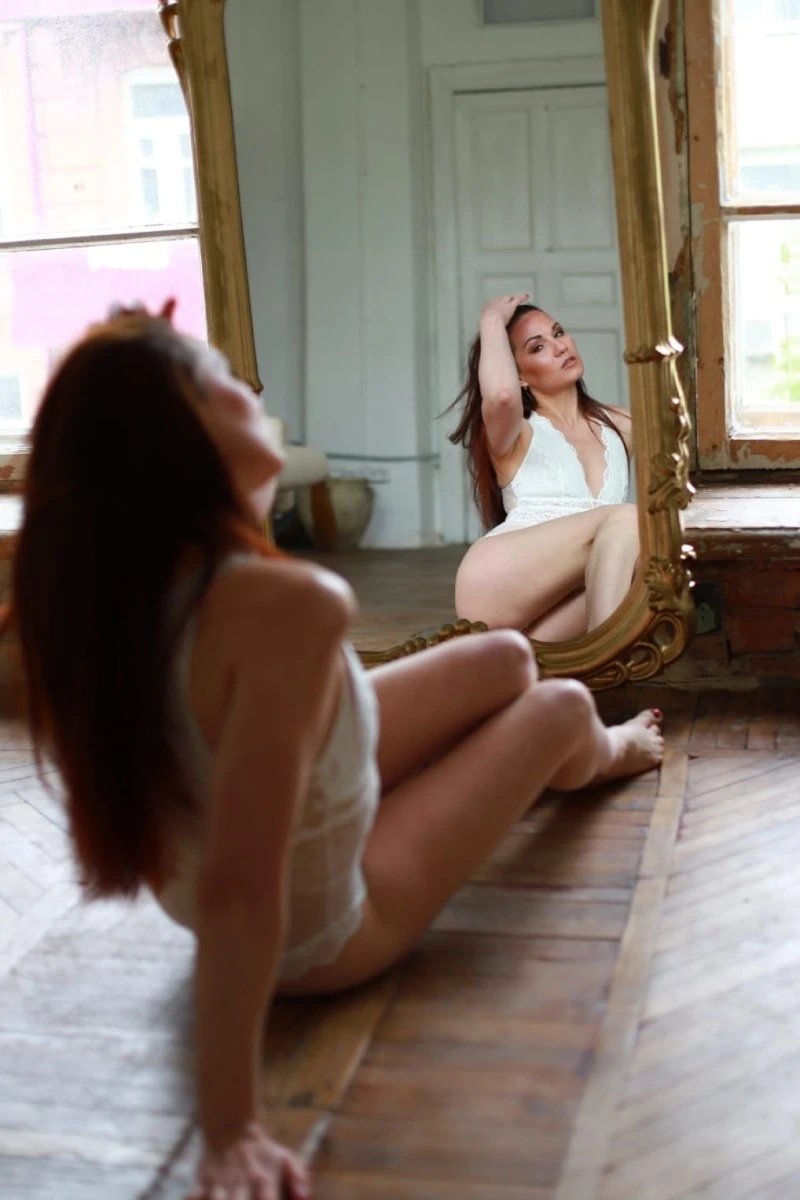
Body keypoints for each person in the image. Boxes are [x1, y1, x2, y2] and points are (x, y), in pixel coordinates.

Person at [10, 304, 663, 1200]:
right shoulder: (285, 607)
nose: (251, 392)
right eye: (222, 383)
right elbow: (242, 889)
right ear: (180, 444)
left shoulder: (130, 590)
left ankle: (514, 752)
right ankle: (608, 750)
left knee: (509, 660)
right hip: (321, 934)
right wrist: (231, 1128)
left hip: (261, 848)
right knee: (556, 705)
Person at [449, 293, 638, 642]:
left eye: (559, 333)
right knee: (628, 518)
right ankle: (611, 659)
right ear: (518, 375)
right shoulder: (515, 432)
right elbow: (501, 397)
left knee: (642, 570)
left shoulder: (622, 424)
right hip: (499, 578)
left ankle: (585, 664)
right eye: (538, 347)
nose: (560, 347)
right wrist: (491, 320)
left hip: (568, 595)